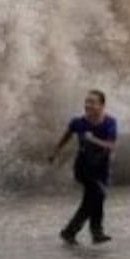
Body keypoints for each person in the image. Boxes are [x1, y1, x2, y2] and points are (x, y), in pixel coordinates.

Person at [47, 89, 117, 245]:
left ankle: (83, 232)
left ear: (101, 105)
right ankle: (85, 231)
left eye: (92, 102)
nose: (88, 105)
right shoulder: (78, 122)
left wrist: (93, 140)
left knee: (95, 198)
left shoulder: (110, 122)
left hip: (101, 167)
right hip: (83, 167)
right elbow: (66, 137)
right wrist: (55, 152)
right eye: (87, 102)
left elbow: (111, 145)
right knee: (97, 195)